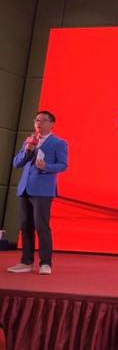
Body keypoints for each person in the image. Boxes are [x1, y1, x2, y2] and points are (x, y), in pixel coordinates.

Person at [7, 110, 68, 275]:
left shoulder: (58, 143)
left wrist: (46, 167)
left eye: (43, 120)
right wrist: (27, 150)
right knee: (25, 226)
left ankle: (45, 263)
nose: (39, 123)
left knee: (41, 226)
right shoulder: (29, 141)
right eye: (37, 120)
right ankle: (26, 262)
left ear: (52, 124)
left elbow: (63, 165)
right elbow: (16, 163)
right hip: (25, 188)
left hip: (43, 191)